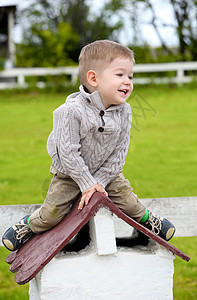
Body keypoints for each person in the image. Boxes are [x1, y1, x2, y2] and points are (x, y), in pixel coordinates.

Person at [2, 40, 175, 252]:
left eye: (130, 76)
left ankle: (150, 221)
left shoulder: (125, 111)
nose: (128, 81)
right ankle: (28, 225)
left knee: (129, 201)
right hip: (70, 174)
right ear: (94, 78)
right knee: (52, 213)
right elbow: (68, 153)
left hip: (106, 173)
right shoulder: (70, 112)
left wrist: (98, 184)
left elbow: (119, 153)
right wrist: (86, 183)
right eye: (120, 75)